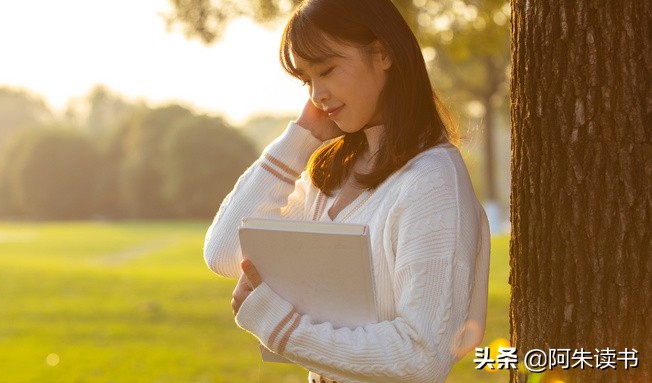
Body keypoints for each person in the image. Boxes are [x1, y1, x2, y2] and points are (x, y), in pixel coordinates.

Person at [202, 0, 491, 382]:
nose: (317, 94)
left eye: (327, 70)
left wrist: (282, 328)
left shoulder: (432, 181)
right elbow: (224, 253)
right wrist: (300, 137)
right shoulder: (330, 175)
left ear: (383, 53)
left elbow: (422, 356)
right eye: (307, 80)